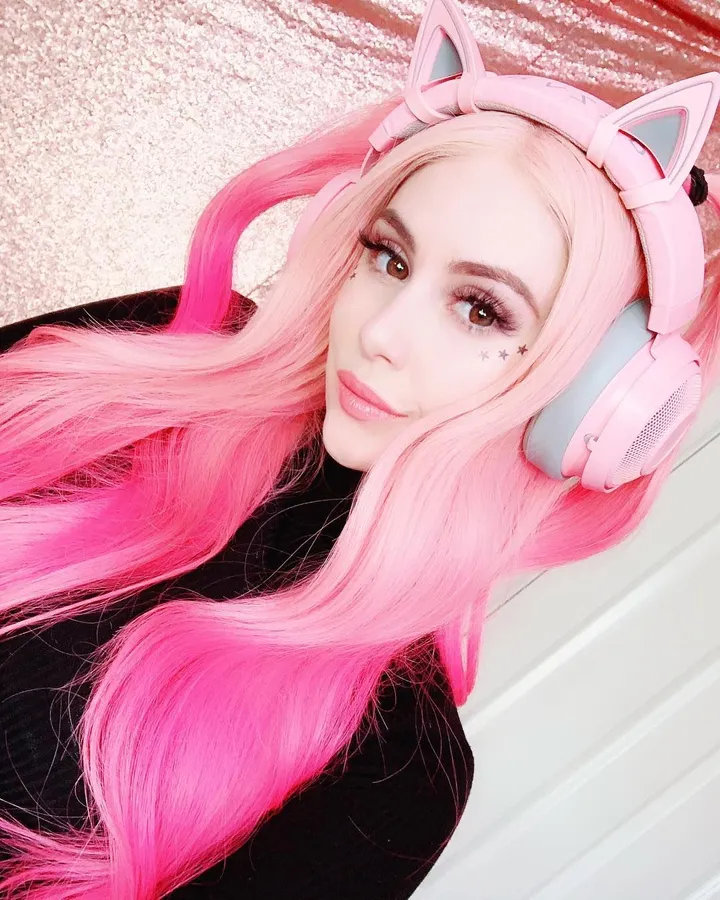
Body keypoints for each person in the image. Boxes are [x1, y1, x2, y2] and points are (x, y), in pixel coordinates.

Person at [0, 0, 718, 896]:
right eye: (389, 257)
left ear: (583, 402)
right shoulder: (141, 356)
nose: (381, 332)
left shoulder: (395, 777)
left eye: (480, 310)